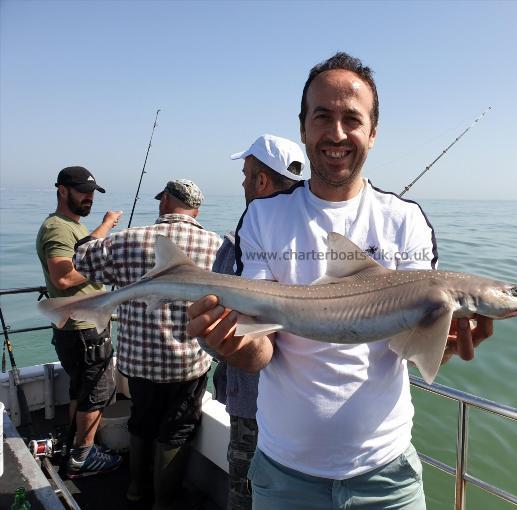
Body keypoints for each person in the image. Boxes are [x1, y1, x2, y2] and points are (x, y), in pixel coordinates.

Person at [188, 52, 494, 509]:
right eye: (323, 117)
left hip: (386, 475)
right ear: (304, 127)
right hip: (284, 473)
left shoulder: (405, 221)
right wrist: (233, 344)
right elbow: (262, 349)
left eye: (352, 119)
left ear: (373, 131)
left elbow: (408, 349)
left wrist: (443, 344)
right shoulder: (264, 216)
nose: (336, 133)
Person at [74, 179, 222, 509]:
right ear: (196, 210)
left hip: (137, 362)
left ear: (166, 201)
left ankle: (136, 490)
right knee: (178, 431)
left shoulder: (127, 239)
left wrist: (106, 227)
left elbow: (81, 260)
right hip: (188, 362)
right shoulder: (217, 245)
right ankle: (164, 502)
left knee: (141, 422)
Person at [211, 134, 306, 510]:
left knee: (247, 496)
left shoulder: (238, 245)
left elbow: (214, 338)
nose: (243, 182)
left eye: (247, 174)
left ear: (262, 182)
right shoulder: (322, 245)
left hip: (254, 407)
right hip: (311, 409)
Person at [36, 165, 124, 478]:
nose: (88, 198)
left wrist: (106, 225)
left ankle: (75, 444)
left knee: (81, 388)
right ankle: (82, 458)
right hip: (84, 329)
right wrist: (106, 269)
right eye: (82, 192)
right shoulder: (58, 228)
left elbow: (84, 249)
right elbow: (62, 276)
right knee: (97, 393)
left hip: (77, 326)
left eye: (92, 193)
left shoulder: (69, 226)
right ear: (62, 190)